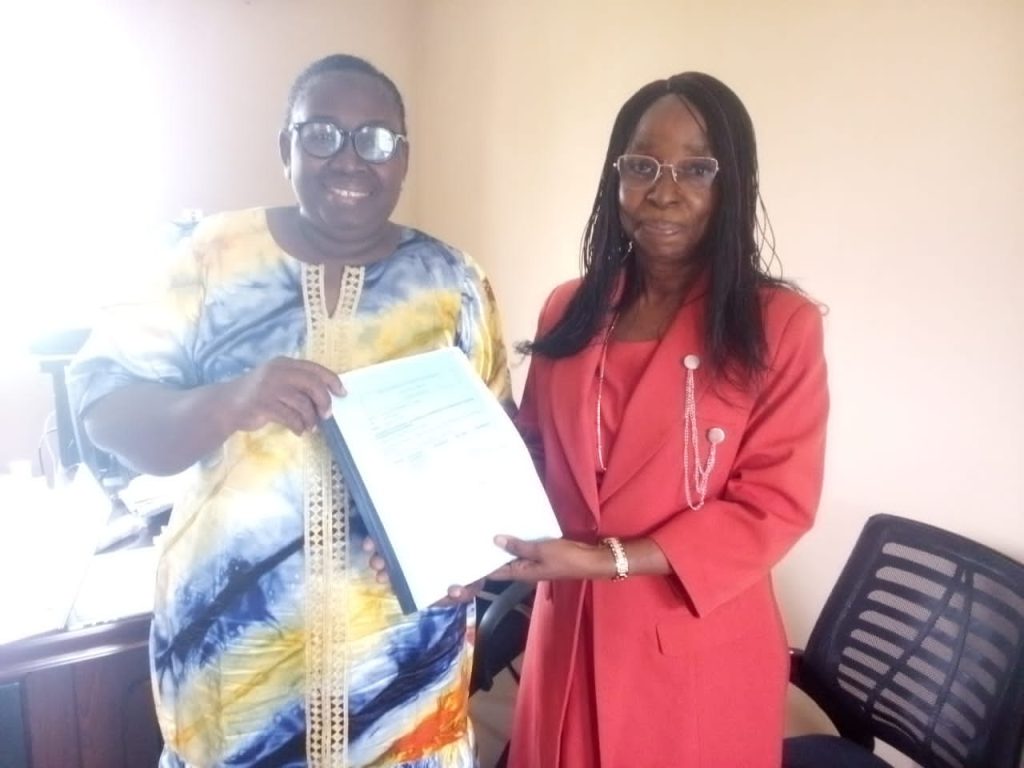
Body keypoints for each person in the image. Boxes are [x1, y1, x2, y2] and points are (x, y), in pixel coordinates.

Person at [68, 54, 510, 768]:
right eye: (322, 134)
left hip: (401, 671)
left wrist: (466, 551)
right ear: (286, 147)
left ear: (403, 157)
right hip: (238, 666)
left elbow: (493, 459)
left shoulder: (452, 283)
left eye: (375, 139)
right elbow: (103, 409)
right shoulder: (209, 259)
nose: (350, 159)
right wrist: (229, 399)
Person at [490, 72, 829, 767]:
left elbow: (773, 506)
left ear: (733, 185)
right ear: (616, 178)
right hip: (567, 629)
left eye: (696, 169)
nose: (663, 191)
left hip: (689, 650)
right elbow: (532, 450)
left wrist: (605, 560)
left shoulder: (778, 324)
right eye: (642, 165)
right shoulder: (569, 308)